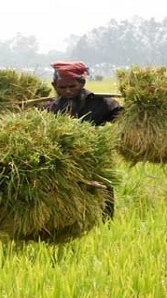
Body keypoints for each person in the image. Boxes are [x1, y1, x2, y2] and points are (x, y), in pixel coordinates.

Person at [42, 61, 122, 219]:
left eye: (73, 87)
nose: (68, 91)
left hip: (94, 161)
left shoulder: (102, 104)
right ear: (54, 85)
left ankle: (106, 231)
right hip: (63, 164)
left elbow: (124, 120)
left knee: (102, 205)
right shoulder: (48, 108)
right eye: (62, 88)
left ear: (82, 83)